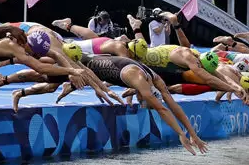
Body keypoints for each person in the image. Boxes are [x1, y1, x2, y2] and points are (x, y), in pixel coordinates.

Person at [17, 52, 208, 155]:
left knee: (56, 85)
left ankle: (24, 75)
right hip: (81, 63)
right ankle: (9, 74)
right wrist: (181, 135)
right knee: (46, 76)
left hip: (94, 66)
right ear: (144, 95)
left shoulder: (155, 79)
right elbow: (161, 109)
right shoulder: (142, 83)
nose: (142, 103)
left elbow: (172, 106)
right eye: (144, 101)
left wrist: (192, 134)